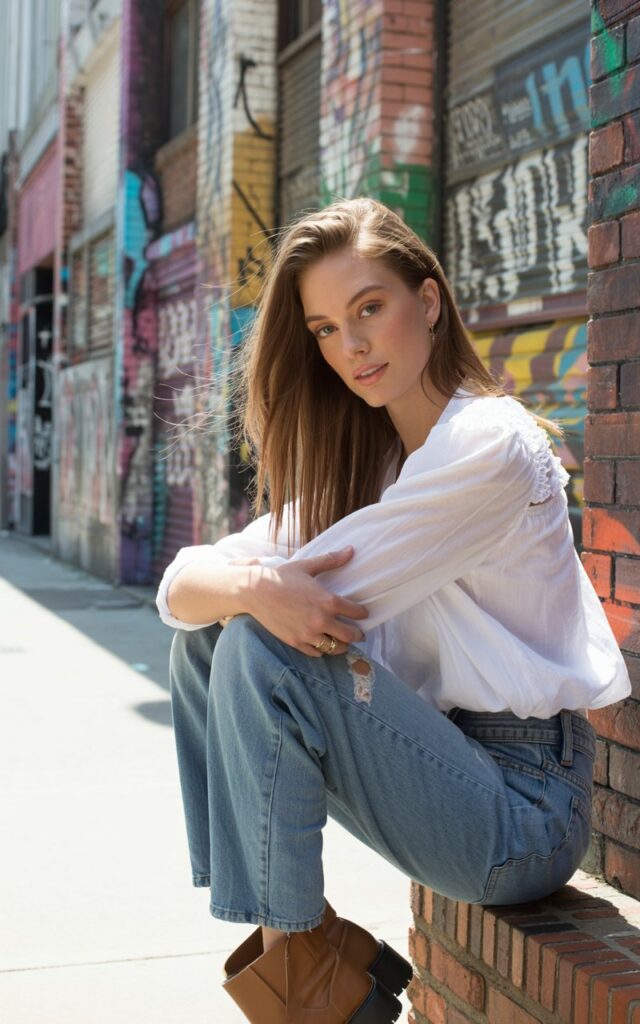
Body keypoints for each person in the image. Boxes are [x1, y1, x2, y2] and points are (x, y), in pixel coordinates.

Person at [156, 197, 630, 1024]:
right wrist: (252, 587)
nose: (352, 347)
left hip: (524, 808)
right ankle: (299, 961)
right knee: (214, 641)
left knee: (258, 644)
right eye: (326, 329)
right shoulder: (377, 467)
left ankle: (303, 985)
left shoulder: (488, 446)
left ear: (431, 301)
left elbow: (314, 607)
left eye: (369, 308)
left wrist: (257, 588)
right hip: (442, 766)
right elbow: (178, 591)